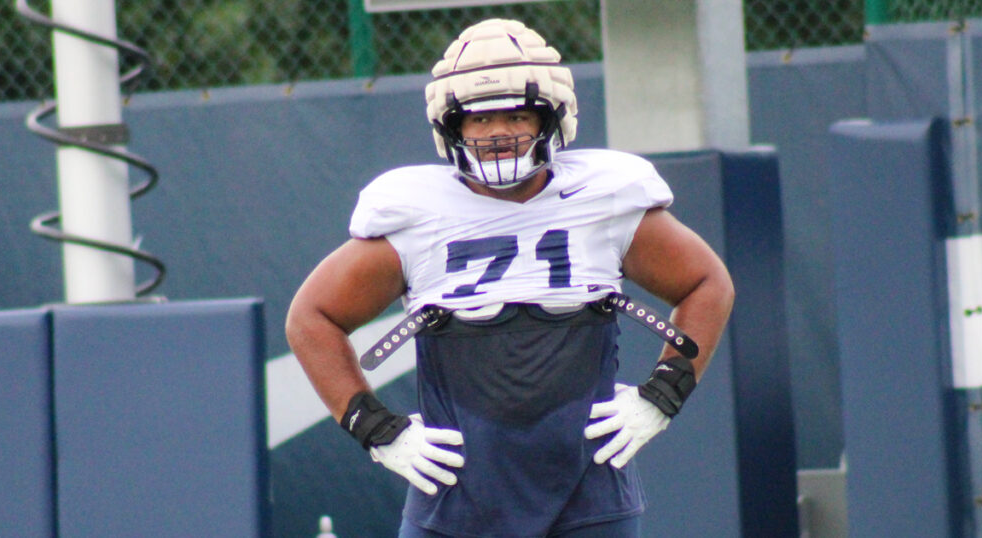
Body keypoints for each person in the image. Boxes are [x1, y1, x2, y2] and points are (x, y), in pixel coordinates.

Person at [286, 18, 734, 538]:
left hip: (588, 494)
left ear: (552, 118)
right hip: (455, 498)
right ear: (452, 128)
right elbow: (311, 317)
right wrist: (375, 428)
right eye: (478, 119)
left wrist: (664, 393)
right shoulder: (416, 215)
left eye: (517, 114)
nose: (497, 132)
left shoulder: (605, 199)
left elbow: (707, 284)